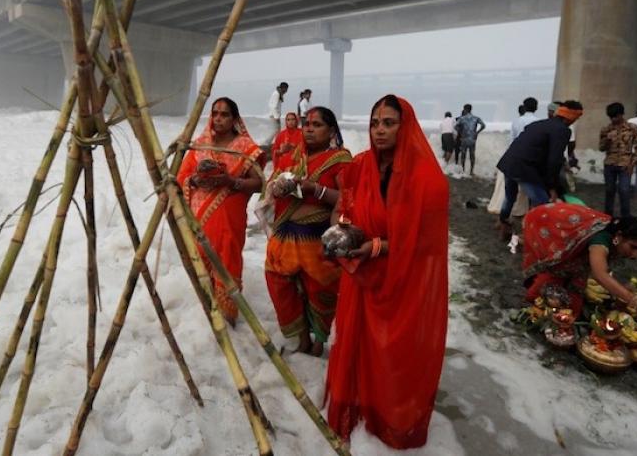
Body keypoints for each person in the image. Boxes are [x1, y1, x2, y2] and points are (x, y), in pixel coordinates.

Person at [326, 95, 448, 449]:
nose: (379, 130)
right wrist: (341, 230)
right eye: (375, 122)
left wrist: (377, 246)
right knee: (357, 344)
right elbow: (343, 209)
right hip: (360, 277)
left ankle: (389, 421)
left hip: (402, 280)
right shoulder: (360, 166)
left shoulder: (428, 180)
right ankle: (359, 414)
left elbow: (426, 243)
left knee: (391, 352)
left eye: (389, 123)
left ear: (405, 126)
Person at [265, 106, 351, 356]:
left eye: (317, 125)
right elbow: (270, 186)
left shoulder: (341, 160)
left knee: (318, 291)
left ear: (331, 130)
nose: (310, 129)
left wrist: (315, 190)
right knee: (280, 284)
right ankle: (302, 338)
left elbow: (348, 198)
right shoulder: (293, 157)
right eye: (307, 124)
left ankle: (317, 343)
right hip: (285, 234)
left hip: (316, 238)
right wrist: (276, 188)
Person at [177, 97, 265, 325]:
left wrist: (230, 181)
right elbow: (181, 179)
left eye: (224, 114)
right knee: (201, 265)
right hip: (200, 220)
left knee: (227, 264)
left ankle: (229, 321)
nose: (218, 118)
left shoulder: (246, 148)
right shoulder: (200, 145)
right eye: (214, 113)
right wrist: (196, 180)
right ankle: (207, 324)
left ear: (235, 119)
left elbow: (259, 184)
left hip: (229, 220)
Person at [523, 202, 637, 318]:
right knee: (556, 273)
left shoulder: (615, 240)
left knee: (575, 304)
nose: (635, 255)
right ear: (618, 236)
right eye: (633, 247)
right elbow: (600, 274)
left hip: (569, 232)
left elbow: (600, 268)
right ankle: (537, 299)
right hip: (547, 224)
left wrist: (624, 292)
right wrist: (634, 300)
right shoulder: (601, 241)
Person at [497, 100, 584, 231]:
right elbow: (554, 160)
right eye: (576, 118)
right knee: (542, 202)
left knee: (510, 196)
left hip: (509, 162)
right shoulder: (562, 130)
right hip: (524, 167)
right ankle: (534, 233)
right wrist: (552, 187)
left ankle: (503, 223)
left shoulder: (539, 124)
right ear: (571, 118)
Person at [488, 97, 539, 224]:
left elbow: (511, 141)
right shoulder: (538, 122)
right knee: (529, 192)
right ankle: (527, 217)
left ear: (524, 107)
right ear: (536, 108)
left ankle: (503, 222)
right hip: (530, 159)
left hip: (514, 158)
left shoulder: (517, 121)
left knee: (509, 194)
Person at [599, 102, 637, 217]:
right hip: (610, 164)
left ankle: (625, 218)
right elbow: (601, 148)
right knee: (609, 191)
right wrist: (607, 139)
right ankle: (607, 217)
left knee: (624, 191)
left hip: (625, 165)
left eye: (615, 116)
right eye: (611, 117)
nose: (613, 119)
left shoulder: (632, 128)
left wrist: (633, 163)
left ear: (621, 115)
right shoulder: (606, 129)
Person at [454, 103, 485, 175]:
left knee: (463, 155)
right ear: (471, 109)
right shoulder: (476, 118)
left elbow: (455, 126)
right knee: (472, 155)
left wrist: (461, 133)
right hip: (472, 139)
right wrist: (477, 132)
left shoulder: (462, 118)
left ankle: (463, 170)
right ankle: (471, 171)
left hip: (464, 139)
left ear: (465, 109)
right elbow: (483, 125)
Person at [264, 81, 289, 146]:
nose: (286, 91)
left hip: (275, 115)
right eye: (286, 89)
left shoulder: (278, 93)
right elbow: (273, 106)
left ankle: (270, 142)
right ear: (283, 88)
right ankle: (269, 142)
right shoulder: (277, 94)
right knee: (276, 130)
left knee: (276, 130)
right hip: (274, 115)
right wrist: (276, 117)